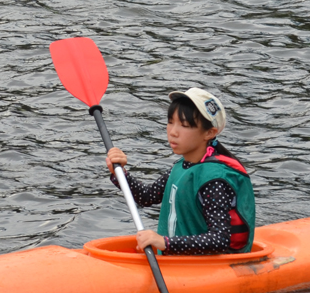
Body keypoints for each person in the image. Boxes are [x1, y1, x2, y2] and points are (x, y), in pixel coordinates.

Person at [105, 88, 256, 255]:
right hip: (178, 260)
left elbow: (219, 239)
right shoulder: (183, 166)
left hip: (206, 266)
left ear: (209, 132)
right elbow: (146, 196)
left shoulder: (214, 180)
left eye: (184, 125)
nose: (173, 132)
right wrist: (119, 173)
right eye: (170, 122)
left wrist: (165, 242)